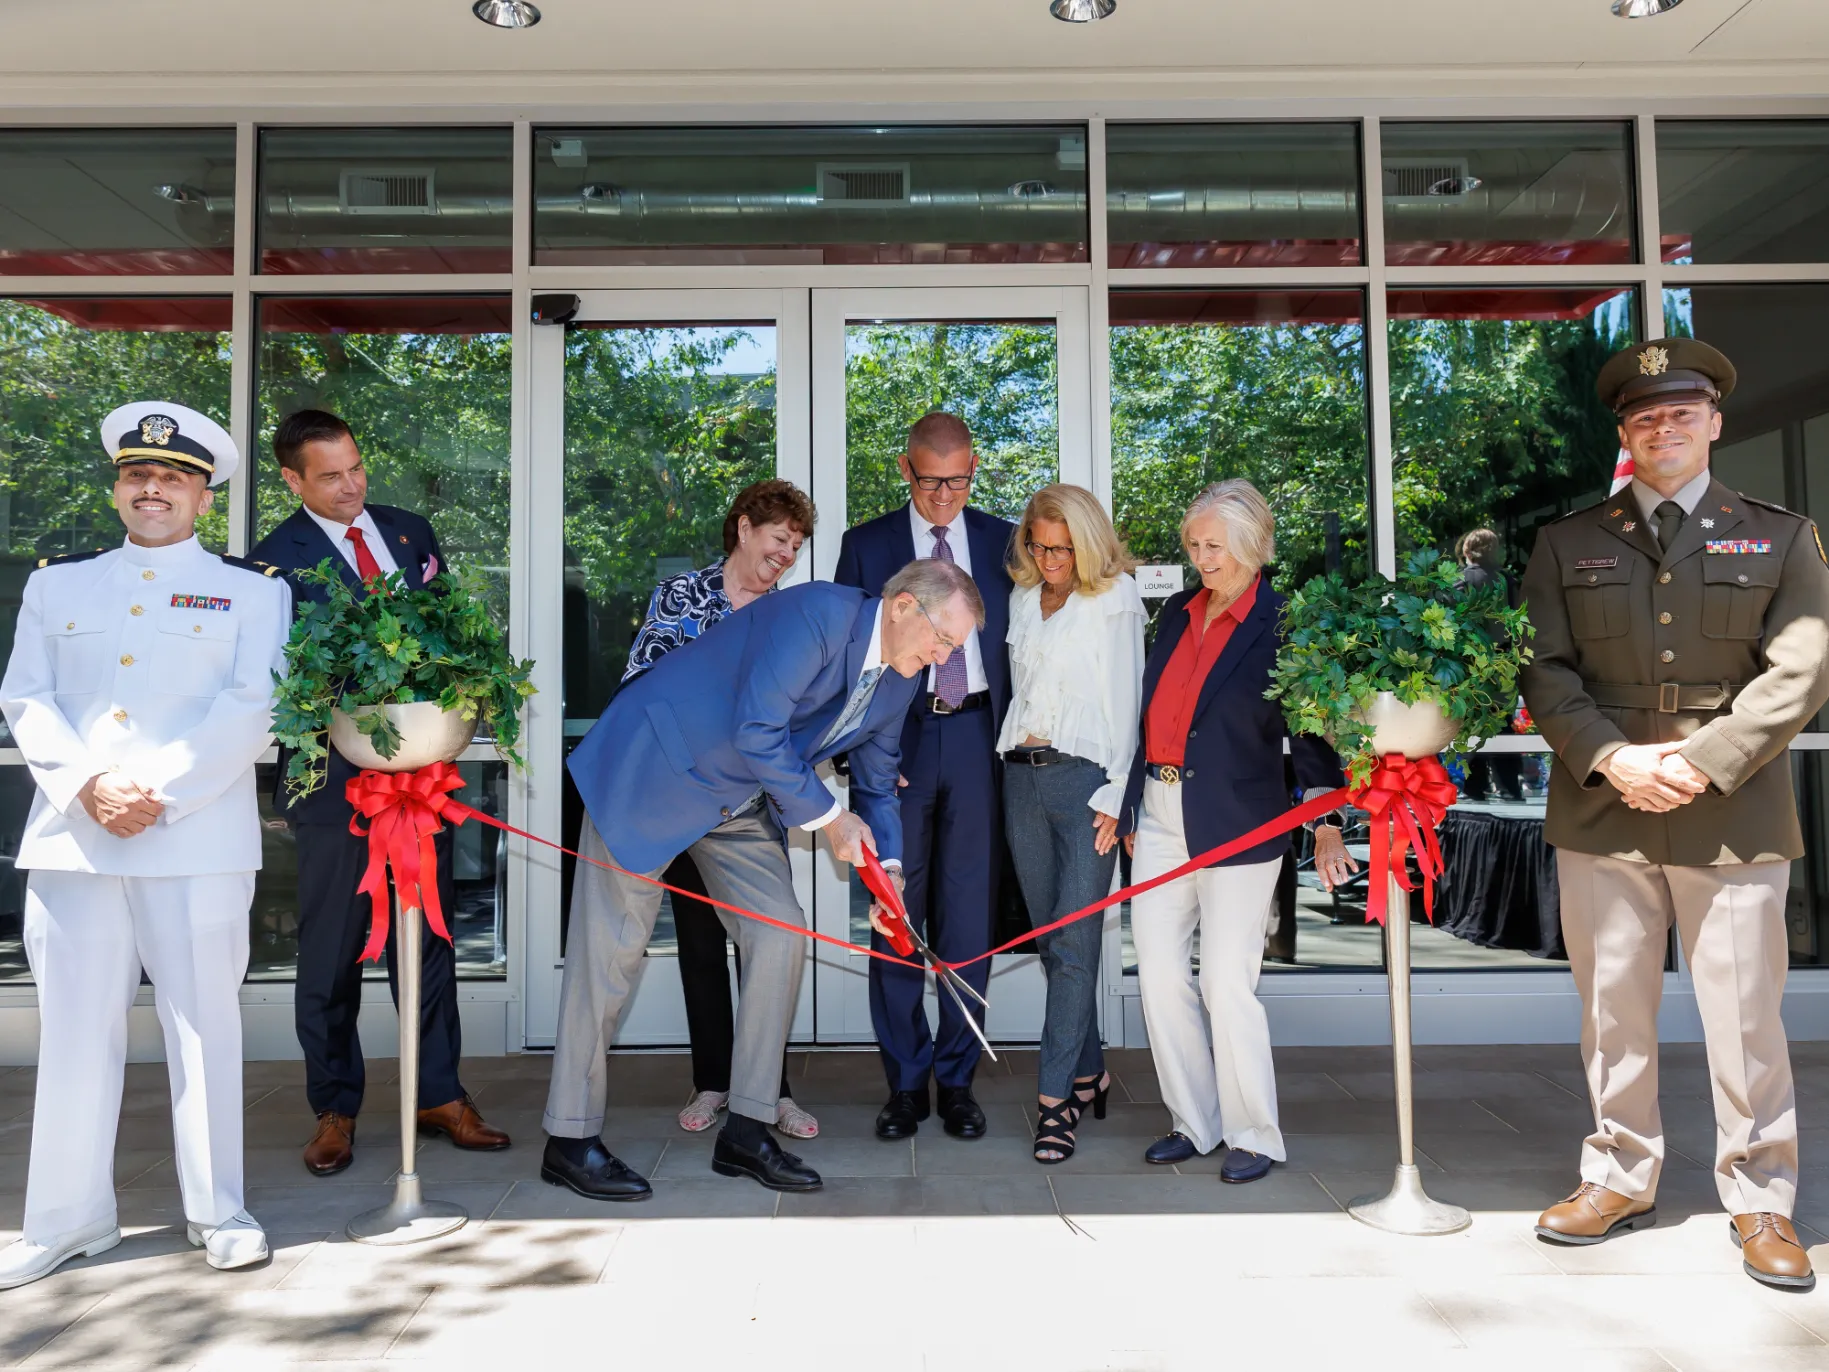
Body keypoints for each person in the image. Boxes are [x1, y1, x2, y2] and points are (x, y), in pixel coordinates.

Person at [1520, 338, 1829, 1291]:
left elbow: (1802, 667)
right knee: (1612, 1008)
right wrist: (1612, 757)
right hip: (1603, 803)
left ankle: (1760, 1197)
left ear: (1713, 423)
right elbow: (1543, 667)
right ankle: (1617, 1175)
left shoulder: (1779, 535)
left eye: (1680, 413)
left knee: (1744, 1014)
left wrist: (1698, 763)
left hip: (1730, 805)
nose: (1663, 428)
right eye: (1644, 416)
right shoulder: (1566, 541)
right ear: (1624, 433)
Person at [546, 560, 984, 1200]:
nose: (944, 658)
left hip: (739, 797)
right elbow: (757, 728)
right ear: (902, 607)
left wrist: (887, 874)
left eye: (954, 648)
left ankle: (746, 1131)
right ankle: (569, 1139)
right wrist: (831, 821)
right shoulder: (820, 614)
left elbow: (878, 783)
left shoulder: (902, 681)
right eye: (943, 639)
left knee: (781, 935)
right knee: (608, 956)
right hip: (658, 765)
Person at [0, 403, 289, 1287]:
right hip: (75, 840)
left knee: (202, 1027)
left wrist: (153, 792)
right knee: (73, 1032)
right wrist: (89, 785)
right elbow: (25, 696)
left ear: (204, 496)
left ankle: (218, 1211)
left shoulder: (255, 592)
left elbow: (253, 706)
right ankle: (66, 1221)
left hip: (193, 837)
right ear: (118, 487)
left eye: (172, 477)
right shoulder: (57, 587)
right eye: (138, 474)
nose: (152, 487)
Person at [250, 409, 509, 1177]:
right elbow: (276, 678)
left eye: (356, 467)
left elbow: (447, 631)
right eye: (330, 476)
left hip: (418, 783)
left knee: (426, 941)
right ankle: (334, 1108)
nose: (351, 485)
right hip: (334, 787)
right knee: (330, 951)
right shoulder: (270, 563)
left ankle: (439, 1095)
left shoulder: (407, 532)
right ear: (292, 480)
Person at [1117, 480, 1357, 1184]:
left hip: (1240, 821)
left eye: (1215, 545)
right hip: (1159, 812)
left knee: (1225, 981)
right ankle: (1193, 1121)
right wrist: (1131, 805)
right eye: (1194, 544)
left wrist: (1324, 821)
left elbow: (1311, 731)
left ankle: (1253, 1132)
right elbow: (1148, 716)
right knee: (1160, 976)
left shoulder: (1284, 622)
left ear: (1253, 545)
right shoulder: (1175, 613)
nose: (1202, 558)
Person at [621, 479, 821, 1140]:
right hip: (685, 800)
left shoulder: (789, 615)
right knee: (700, 944)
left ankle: (772, 1091)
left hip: (755, 805)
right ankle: (712, 1081)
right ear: (743, 528)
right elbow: (641, 683)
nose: (786, 554)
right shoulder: (681, 595)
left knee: (768, 947)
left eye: (795, 546)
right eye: (779, 539)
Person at [834, 412, 1015, 1142]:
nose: (944, 496)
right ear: (905, 469)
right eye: (931, 481)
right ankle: (905, 1084)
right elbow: (849, 660)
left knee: (969, 918)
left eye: (959, 481)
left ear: (975, 469)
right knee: (896, 916)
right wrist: (859, 754)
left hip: (977, 739)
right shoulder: (865, 545)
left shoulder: (1005, 542)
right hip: (895, 749)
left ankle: (958, 1080)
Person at [997, 485, 1144, 1164]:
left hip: (1088, 784)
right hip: (1020, 779)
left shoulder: (1115, 599)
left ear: (1087, 544)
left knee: (1076, 943)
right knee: (1053, 945)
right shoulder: (1022, 598)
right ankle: (1091, 1072)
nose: (1050, 560)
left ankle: (1054, 1102)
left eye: (1063, 549)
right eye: (1039, 546)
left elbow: (1128, 700)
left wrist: (1119, 793)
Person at [1457, 528, 1525, 803]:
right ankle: (1510, 787)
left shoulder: (1461, 581)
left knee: (1472, 723)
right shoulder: (1507, 580)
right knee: (1503, 722)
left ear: (1467, 550)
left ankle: (1475, 787)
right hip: (1504, 660)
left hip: (1472, 662)